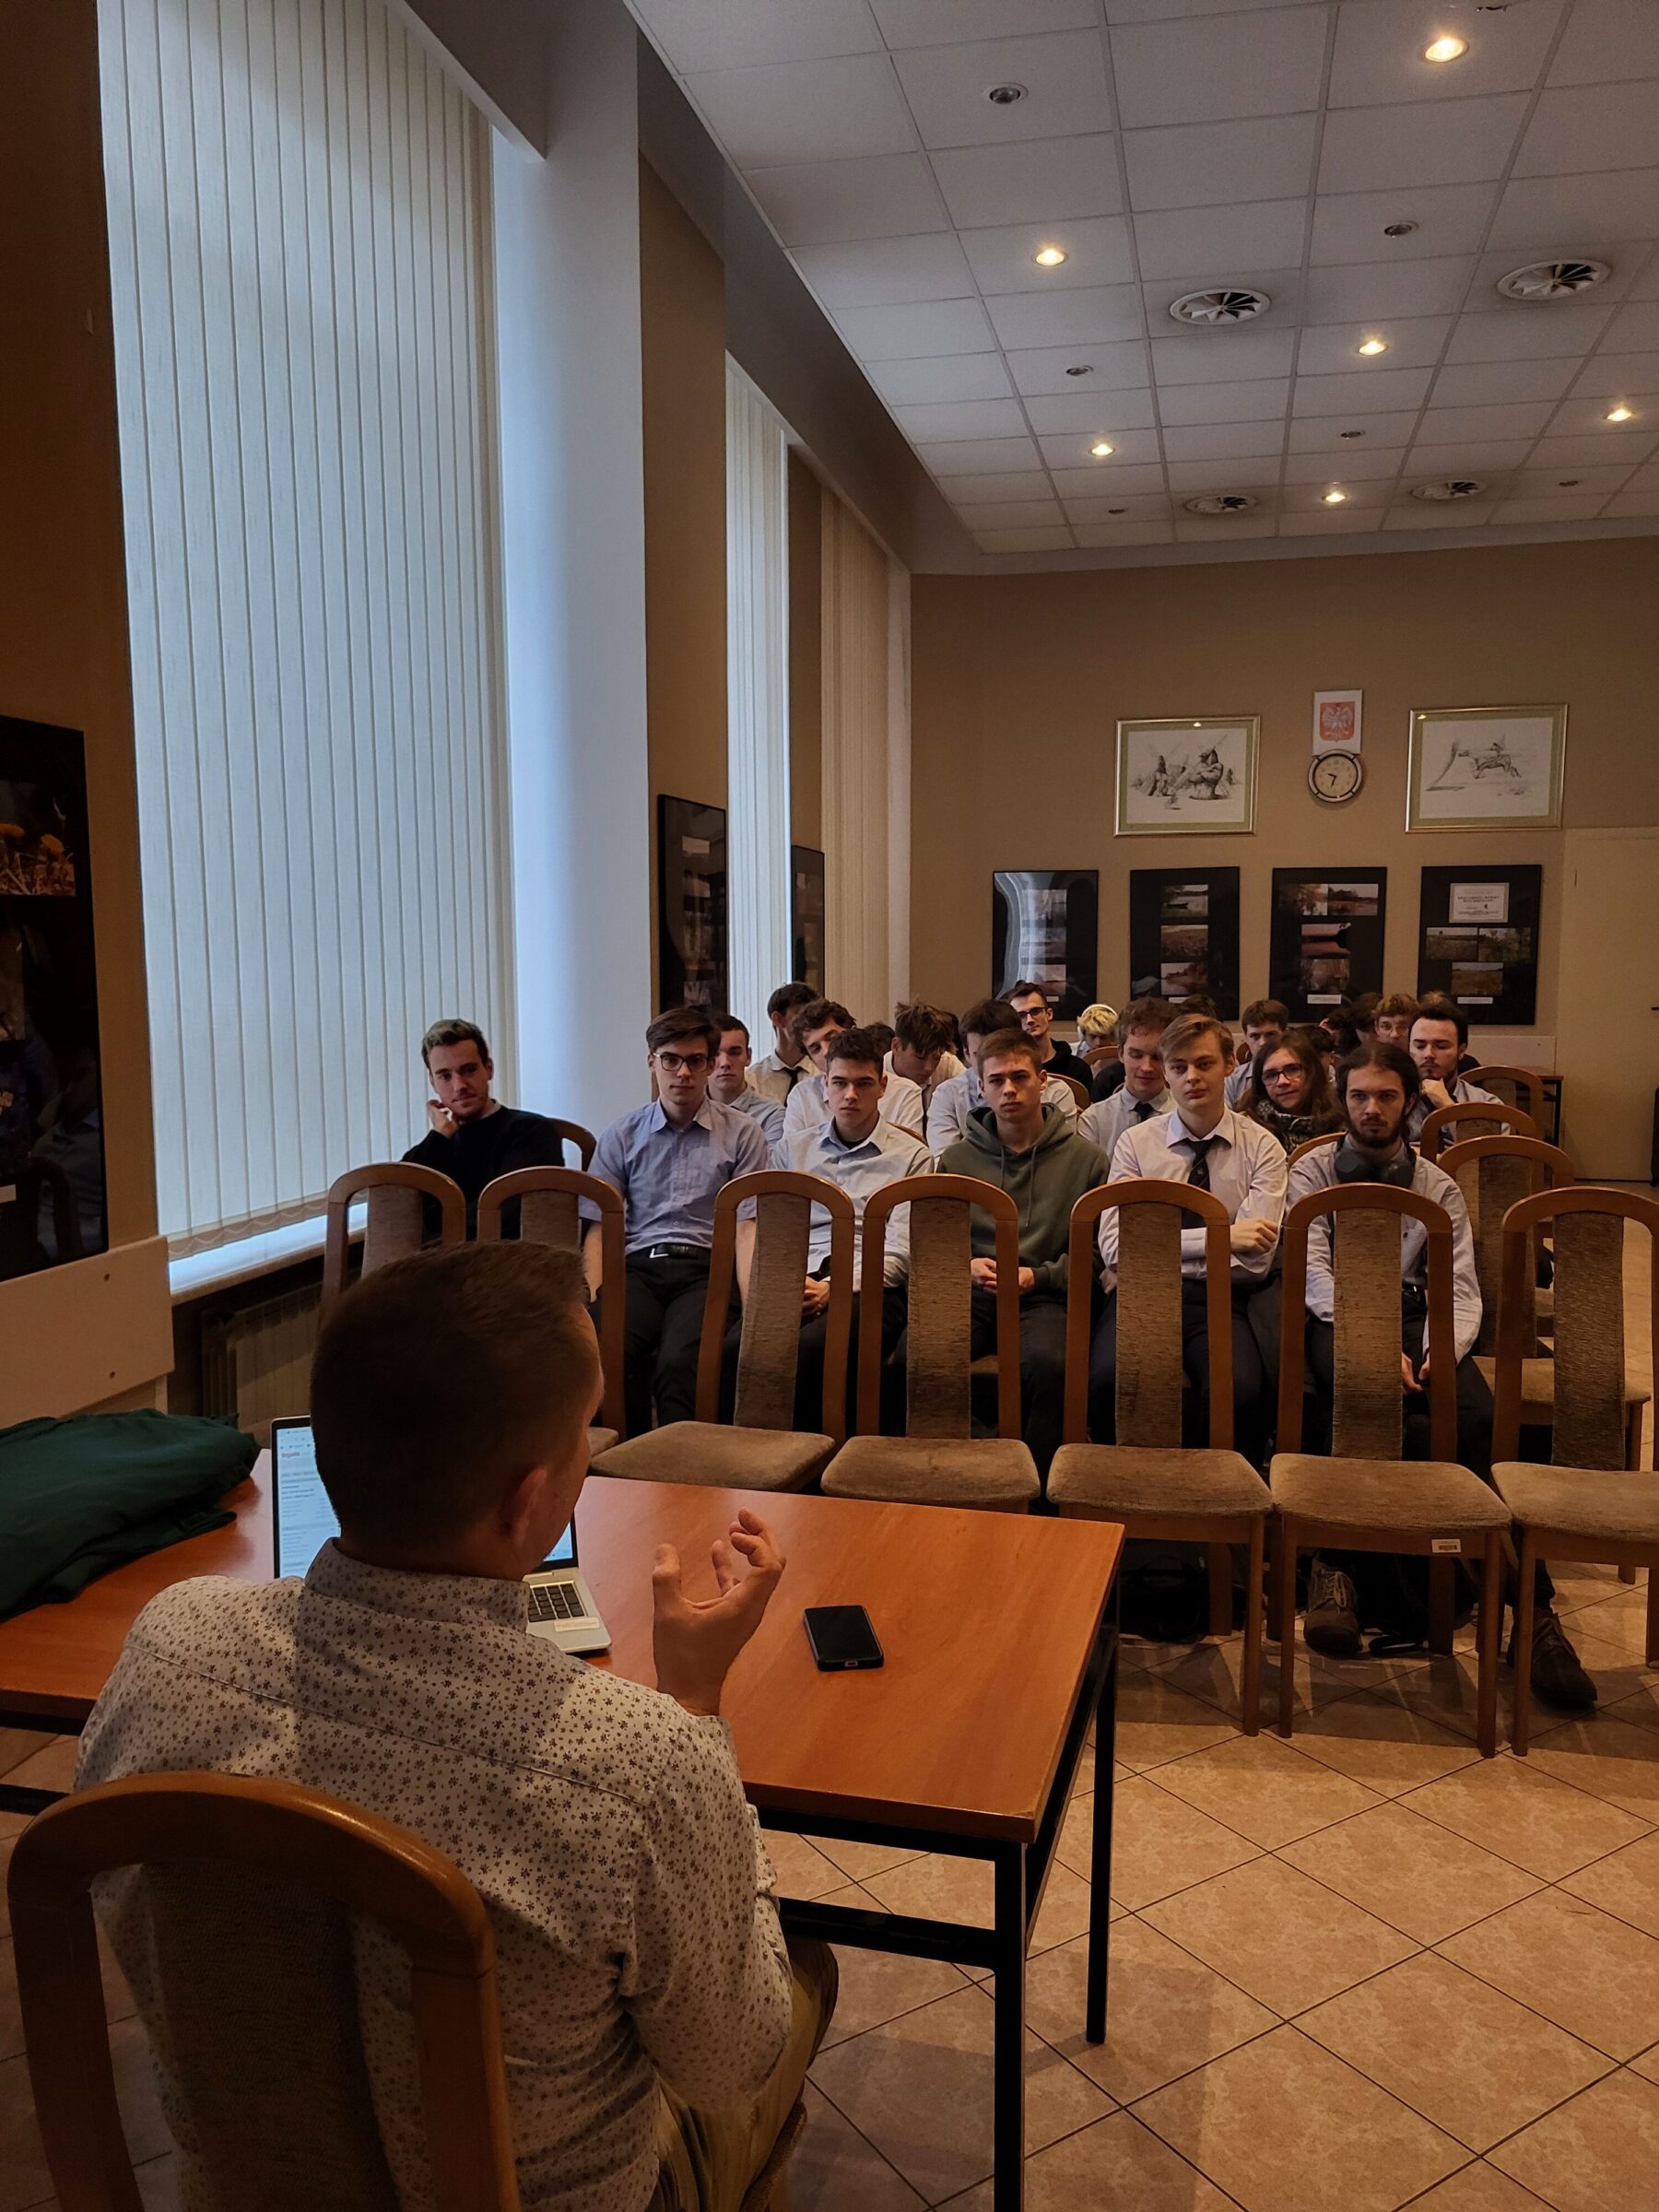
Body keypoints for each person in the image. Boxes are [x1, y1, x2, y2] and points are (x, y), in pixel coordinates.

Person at [75, 1240, 836, 2211]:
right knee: (798, 1971)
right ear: (528, 1503)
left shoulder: (168, 1647)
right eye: (584, 1436)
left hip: (237, 2193)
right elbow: (733, 2063)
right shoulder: (636, 1764)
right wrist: (693, 1703)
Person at [1286, 1044, 1593, 1710]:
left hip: (1422, 1317)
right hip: (1340, 1315)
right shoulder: (1311, 1170)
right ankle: (1337, 1568)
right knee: (1357, 1397)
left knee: (1471, 1417)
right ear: (1343, 1100)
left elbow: (1458, 1284)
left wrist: (1437, 1351)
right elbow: (1312, 1272)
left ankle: (1530, 1611)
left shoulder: (1436, 1183)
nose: (1372, 1109)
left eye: (1386, 1096)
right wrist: (1371, 1343)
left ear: (1408, 1103)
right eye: (1360, 1096)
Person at [1089, 1012, 1287, 1461]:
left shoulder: (1262, 1148)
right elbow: (1117, 1250)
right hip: (1143, 1292)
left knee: (1239, 1390)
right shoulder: (1136, 1144)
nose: (1191, 1077)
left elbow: (1255, 1258)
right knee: (1106, 1381)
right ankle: (1119, 1483)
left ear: (1230, 1064)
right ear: (1166, 1071)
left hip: (1224, 1297)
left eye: (1204, 1064)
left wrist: (1158, 1249)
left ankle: (1209, 1487)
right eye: (1178, 1067)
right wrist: (1225, 1237)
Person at [935, 1028, 1109, 1480]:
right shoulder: (955, 1161)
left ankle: (1034, 1482)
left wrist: (1038, 1277)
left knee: (1052, 1366)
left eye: (1019, 1077)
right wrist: (963, 1265)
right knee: (921, 1352)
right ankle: (970, 1472)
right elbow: (938, 1241)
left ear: (1042, 1079)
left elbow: (1098, 1256)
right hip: (974, 1289)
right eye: (996, 1080)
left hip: (1045, 1292)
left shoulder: (1088, 1160)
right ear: (980, 1087)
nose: (1008, 1089)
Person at [589, 1007, 771, 1437]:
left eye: (694, 1061)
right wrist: (594, 1297)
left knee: (679, 1363)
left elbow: (748, 1226)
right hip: (638, 1268)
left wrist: (754, 1306)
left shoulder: (742, 1133)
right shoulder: (622, 1134)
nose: (683, 1073)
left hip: (706, 1270)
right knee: (604, 1353)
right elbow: (599, 1226)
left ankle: (679, 1468)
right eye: (670, 1060)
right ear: (652, 1062)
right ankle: (621, 1462)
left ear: (709, 1065)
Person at [780, 1025, 929, 1430]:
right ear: (824, 1085)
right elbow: (777, 1236)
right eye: (840, 1083)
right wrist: (792, 1282)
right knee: (737, 1348)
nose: (850, 1095)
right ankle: (747, 1462)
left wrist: (837, 1286)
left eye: (863, 1084)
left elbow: (902, 1252)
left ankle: (819, 1458)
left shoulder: (913, 1157)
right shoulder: (792, 1150)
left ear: (882, 1086)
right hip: (801, 1277)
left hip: (874, 1285)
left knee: (814, 1347)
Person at [402, 1018, 573, 1234]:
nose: (459, 1086)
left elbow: (506, 1216)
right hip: (442, 1251)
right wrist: (439, 1136)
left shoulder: (531, 1131)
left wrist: (431, 1221)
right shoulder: (440, 1143)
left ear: (488, 1069)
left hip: (505, 1253)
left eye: (468, 1070)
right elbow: (397, 1203)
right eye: (445, 1076)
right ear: (433, 1082)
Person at [925, 997, 1080, 1148]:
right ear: (966, 1053)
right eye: (981, 1056)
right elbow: (944, 1160)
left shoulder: (1056, 1093)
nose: (992, 1065)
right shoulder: (948, 1095)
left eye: (1001, 1053)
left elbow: (1063, 1155)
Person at [782, 997, 924, 1146]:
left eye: (832, 1038)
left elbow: (908, 1150)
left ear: (853, 1033)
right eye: (815, 1048)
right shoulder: (802, 1096)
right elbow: (792, 1152)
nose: (826, 1051)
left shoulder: (904, 1092)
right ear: (811, 1059)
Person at [1080, 997, 1172, 1155]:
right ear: (1121, 1053)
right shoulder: (1094, 1120)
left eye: (1157, 1057)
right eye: (1136, 1055)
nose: (1147, 1067)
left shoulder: (1189, 1117)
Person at [1406, 994, 1498, 1143]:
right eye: (1420, 1046)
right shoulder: (1392, 1101)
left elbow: (1486, 1154)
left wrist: (1446, 1105)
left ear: (1461, 1051)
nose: (1428, 1054)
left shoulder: (1486, 1104)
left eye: (1441, 1046)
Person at [1241, 1029, 1342, 1154]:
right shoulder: (1246, 1130)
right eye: (1271, 1075)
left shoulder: (1341, 1121)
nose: (1282, 1081)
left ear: (1312, 1072)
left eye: (1292, 1069)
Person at [708, 1013, 786, 1163]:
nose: (725, 1063)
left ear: (748, 1056)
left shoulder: (772, 1115)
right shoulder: (690, 1111)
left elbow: (768, 1171)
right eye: (715, 1054)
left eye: (734, 1053)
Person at [887, 1000, 963, 1117]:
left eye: (936, 1058)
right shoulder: (876, 1077)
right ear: (896, 1046)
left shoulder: (948, 1064)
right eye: (920, 1057)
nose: (929, 1068)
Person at [1008, 979, 1088, 1083]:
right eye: (1021, 1015)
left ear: (1049, 1014)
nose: (1029, 1020)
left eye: (1035, 1011)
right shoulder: (1008, 1070)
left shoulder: (1078, 1069)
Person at [749, 982, 816, 1102]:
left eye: (812, 1017)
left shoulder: (823, 1074)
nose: (809, 1023)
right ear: (778, 1019)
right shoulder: (753, 1080)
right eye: (802, 1015)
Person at [1226, 999, 1289, 1104]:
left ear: (1284, 1035)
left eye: (1270, 1035)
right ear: (1246, 1039)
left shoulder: (1296, 1076)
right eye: (1255, 1036)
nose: (1262, 1043)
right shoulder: (1232, 1079)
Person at [1075, 1003, 1121, 1087]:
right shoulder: (1072, 1053)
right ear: (1083, 1035)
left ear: (1113, 1036)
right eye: (1093, 1036)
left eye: (1103, 1037)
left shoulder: (1121, 1056)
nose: (1098, 1043)